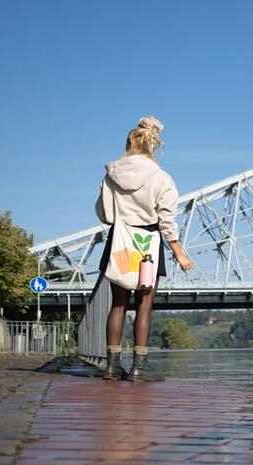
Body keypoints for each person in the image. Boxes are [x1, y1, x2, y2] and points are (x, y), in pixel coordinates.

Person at [95, 116, 193, 381]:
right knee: (144, 307)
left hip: (120, 241)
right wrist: (179, 252)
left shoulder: (111, 173)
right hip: (148, 245)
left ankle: (112, 367)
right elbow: (167, 220)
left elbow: (104, 214)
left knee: (118, 305)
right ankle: (140, 368)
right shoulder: (162, 178)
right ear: (154, 146)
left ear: (130, 142)